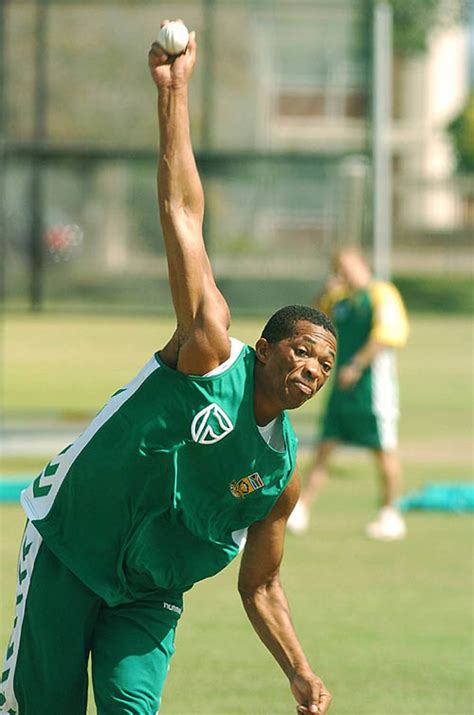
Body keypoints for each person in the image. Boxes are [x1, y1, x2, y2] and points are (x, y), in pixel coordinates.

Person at [0, 25, 337, 715]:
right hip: (70, 543)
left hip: (149, 593)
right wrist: (174, 93)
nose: (312, 367)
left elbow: (262, 585)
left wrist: (299, 671)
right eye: (302, 348)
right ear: (265, 348)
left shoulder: (279, 475)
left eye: (324, 363)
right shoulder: (210, 352)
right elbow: (182, 213)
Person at [287, 247, 409, 540]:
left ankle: (390, 513)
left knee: (383, 451)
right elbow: (310, 323)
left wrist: (356, 365)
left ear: (361, 263)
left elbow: (387, 335)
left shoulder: (381, 293)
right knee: (324, 448)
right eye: (338, 266)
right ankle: (301, 508)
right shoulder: (339, 299)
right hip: (341, 390)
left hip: (372, 389)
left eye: (347, 265)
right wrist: (323, 293)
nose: (344, 271)